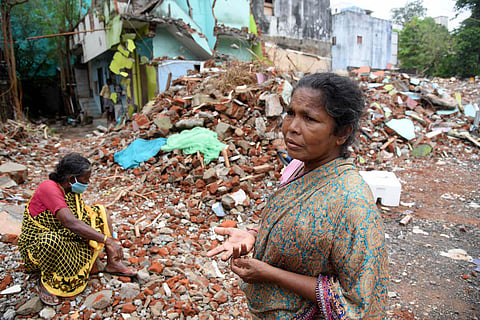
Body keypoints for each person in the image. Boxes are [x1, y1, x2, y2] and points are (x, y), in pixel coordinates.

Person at [207, 73, 388, 319]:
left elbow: (358, 302)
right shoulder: (298, 168)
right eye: (291, 113)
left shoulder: (351, 201)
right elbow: (307, 232)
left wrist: (269, 273)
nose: (292, 127)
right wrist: (252, 236)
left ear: (342, 133)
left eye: (309, 118)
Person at [18, 153, 136, 306]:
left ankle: (112, 262)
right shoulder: (49, 188)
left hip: (63, 231)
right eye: (86, 180)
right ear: (72, 179)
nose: (88, 183)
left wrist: (105, 239)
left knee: (100, 211)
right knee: (50, 241)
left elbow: (79, 214)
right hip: (37, 245)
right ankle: (47, 281)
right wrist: (108, 240)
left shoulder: (69, 189)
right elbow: (69, 222)